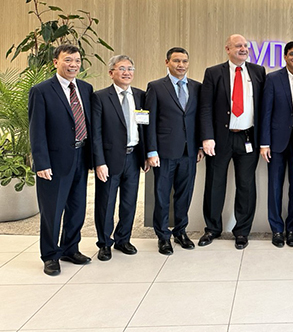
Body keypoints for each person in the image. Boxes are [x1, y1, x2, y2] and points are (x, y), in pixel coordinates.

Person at [28, 44, 94, 276]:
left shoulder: (86, 88)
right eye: (68, 60)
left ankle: (70, 248)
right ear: (55, 62)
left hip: (81, 156)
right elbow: (36, 130)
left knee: (77, 208)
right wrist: (41, 163)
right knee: (52, 211)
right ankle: (50, 255)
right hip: (54, 162)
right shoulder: (42, 90)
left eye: (77, 60)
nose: (73, 65)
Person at [199, 34, 266, 250]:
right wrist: (207, 137)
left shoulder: (258, 72)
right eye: (238, 46)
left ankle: (242, 231)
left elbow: (263, 108)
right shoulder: (213, 73)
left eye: (246, 46)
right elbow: (206, 107)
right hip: (220, 139)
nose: (243, 49)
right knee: (215, 183)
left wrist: (264, 140)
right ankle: (212, 229)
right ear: (227, 49)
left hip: (248, 137)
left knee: (246, 186)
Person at [145, 47, 203, 255]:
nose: (181, 65)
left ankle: (180, 231)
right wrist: (151, 151)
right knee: (162, 195)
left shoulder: (197, 87)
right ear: (167, 62)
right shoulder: (156, 87)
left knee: (184, 194)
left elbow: (199, 119)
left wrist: (198, 146)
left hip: (189, 151)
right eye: (177, 61)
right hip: (164, 151)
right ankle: (162, 236)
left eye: (184, 61)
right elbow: (149, 122)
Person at [92, 55, 149, 261]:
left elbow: (145, 128)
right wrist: (99, 162)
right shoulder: (100, 97)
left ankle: (123, 239)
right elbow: (96, 133)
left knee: (129, 202)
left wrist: (146, 154)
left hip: (134, 157)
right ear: (111, 73)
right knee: (106, 202)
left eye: (130, 68)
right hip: (109, 159)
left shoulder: (140, 95)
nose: (127, 72)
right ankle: (104, 243)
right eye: (122, 68)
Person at [260, 41, 293, 248]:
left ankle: (291, 229)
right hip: (276, 142)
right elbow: (266, 112)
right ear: (285, 56)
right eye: (292, 54)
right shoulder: (273, 79)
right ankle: (276, 229)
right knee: (274, 187)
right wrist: (264, 142)